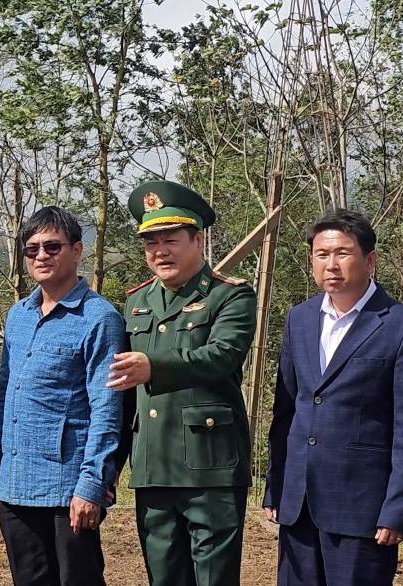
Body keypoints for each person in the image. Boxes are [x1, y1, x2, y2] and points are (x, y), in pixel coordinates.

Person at [264, 209, 403, 586]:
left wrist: (398, 508)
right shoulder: (300, 318)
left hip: (362, 509)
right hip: (299, 504)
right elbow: (286, 411)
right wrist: (276, 484)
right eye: (321, 254)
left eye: (342, 253)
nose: (331, 265)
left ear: (369, 260)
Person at [108, 180, 257, 585]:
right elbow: (122, 395)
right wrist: (112, 467)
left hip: (209, 466)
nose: (160, 252)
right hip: (153, 465)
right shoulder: (136, 301)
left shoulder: (231, 296)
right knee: (164, 576)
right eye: (151, 243)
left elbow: (222, 356)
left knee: (213, 577)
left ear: (197, 239)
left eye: (170, 240)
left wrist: (153, 367)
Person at [0, 206, 125, 586]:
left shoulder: (99, 318)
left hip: (67, 490)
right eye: (32, 249)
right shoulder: (18, 316)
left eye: (52, 247)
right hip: (15, 486)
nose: (41, 256)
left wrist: (92, 485)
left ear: (77, 250)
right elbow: (5, 398)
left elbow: (107, 410)